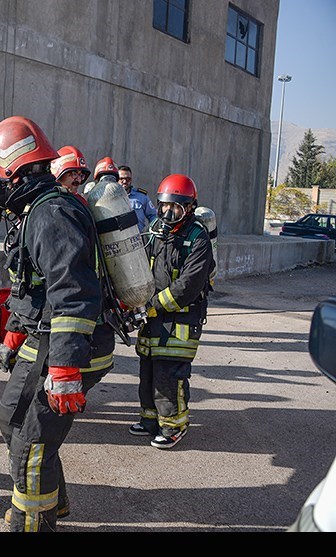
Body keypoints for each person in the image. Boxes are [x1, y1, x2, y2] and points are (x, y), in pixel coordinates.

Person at [0, 117, 108, 532]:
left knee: (31, 441)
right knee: (11, 417)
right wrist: (15, 329)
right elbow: (34, 285)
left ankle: (34, 522)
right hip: (45, 334)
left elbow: (72, 292)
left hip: (73, 345)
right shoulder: (36, 210)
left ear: (14, 175)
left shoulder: (51, 213)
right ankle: (53, 502)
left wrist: (66, 368)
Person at [130, 174, 214, 449]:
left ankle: (174, 427)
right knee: (148, 372)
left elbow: (188, 285)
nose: (168, 212)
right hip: (153, 316)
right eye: (164, 205)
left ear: (189, 207)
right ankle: (150, 420)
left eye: (175, 207)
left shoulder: (197, 237)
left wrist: (152, 306)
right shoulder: (155, 229)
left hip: (181, 317)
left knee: (170, 374)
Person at [118, 165, 157, 233]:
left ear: (131, 180)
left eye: (128, 179)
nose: (124, 181)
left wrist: (151, 232)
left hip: (139, 239)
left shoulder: (141, 196)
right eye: (121, 179)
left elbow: (153, 216)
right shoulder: (111, 197)